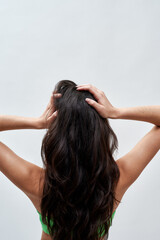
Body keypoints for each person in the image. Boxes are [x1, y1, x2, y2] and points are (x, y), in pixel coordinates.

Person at [0, 80, 159, 240]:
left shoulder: (37, 183)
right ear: (99, 133)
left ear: (58, 137)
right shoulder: (116, 180)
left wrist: (37, 123)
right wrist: (115, 112)